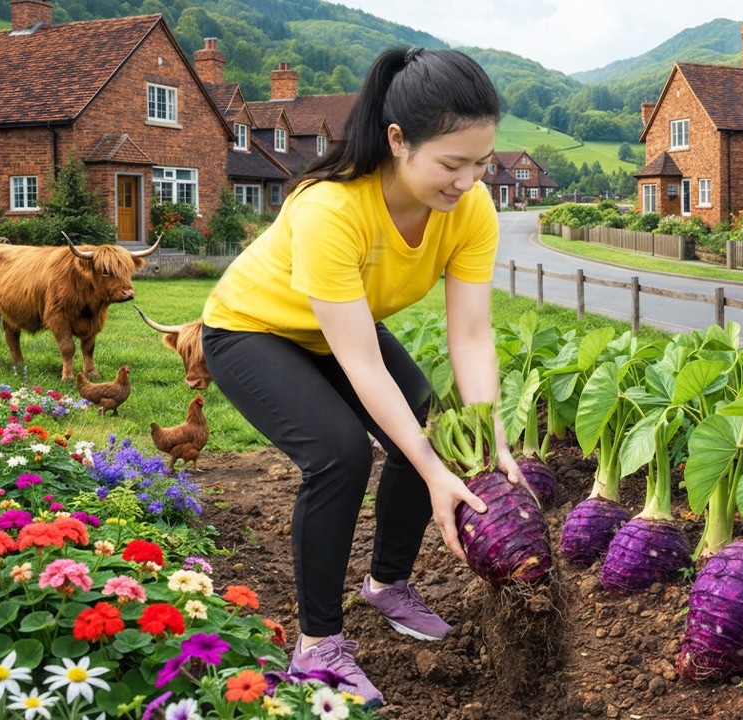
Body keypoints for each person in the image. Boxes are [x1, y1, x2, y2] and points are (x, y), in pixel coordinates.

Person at [200, 46, 522, 708]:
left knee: (424, 415)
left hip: (335, 330)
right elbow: (361, 362)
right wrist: (433, 472)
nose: (467, 181)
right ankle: (316, 646)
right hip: (250, 329)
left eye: (481, 163)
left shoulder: (471, 210)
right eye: (451, 164)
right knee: (339, 454)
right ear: (398, 141)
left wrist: (490, 437)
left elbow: (470, 334)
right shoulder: (331, 208)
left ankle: (388, 583)